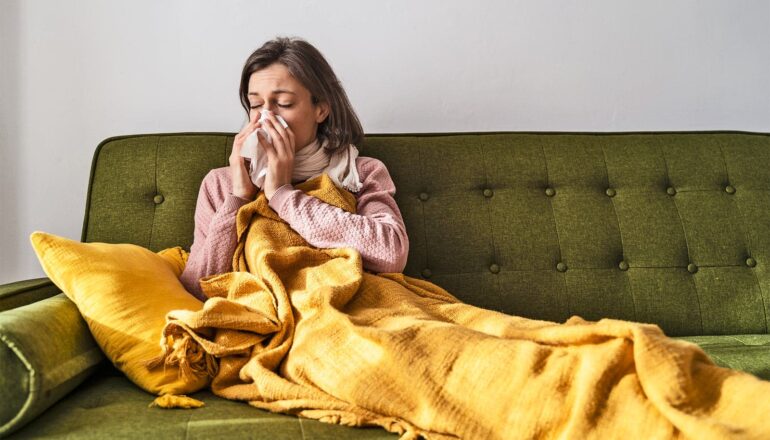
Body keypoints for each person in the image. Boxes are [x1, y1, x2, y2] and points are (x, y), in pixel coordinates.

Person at [180, 37, 409, 301]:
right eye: (255, 104)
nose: (266, 117)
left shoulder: (359, 173)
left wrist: (282, 195)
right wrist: (238, 197)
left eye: (284, 103)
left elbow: (392, 253)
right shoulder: (221, 183)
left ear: (321, 109)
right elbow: (197, 288)